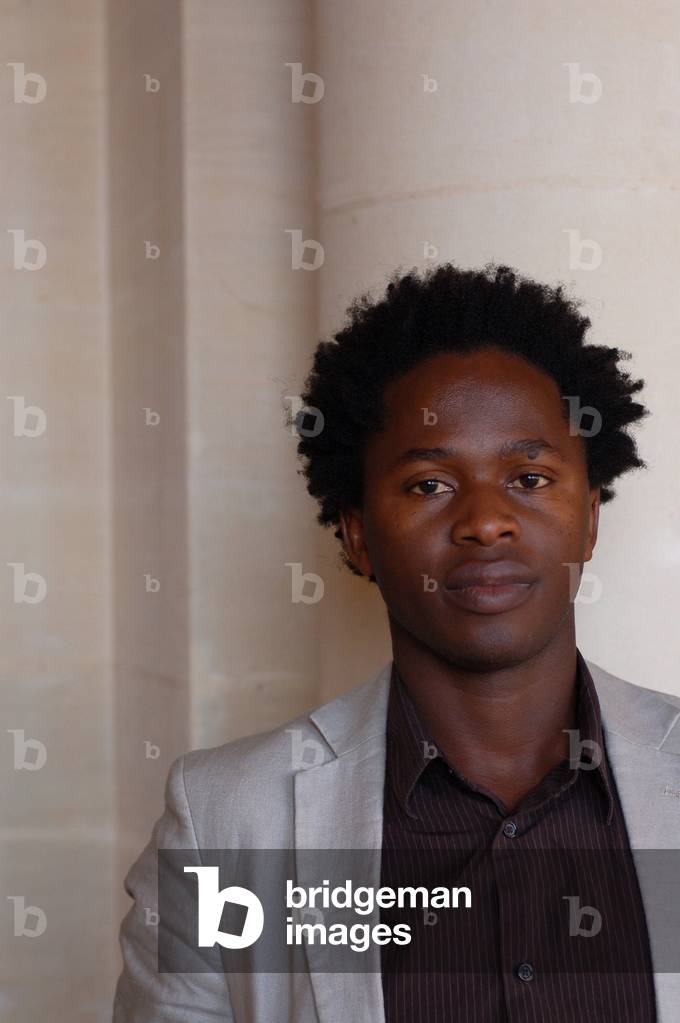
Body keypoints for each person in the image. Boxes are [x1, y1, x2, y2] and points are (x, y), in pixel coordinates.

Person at [113, 263, 680, 1022]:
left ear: (591, 516)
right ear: (357, 536)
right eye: (429, 484)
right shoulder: (228, 824)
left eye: (531, 477)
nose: (486, 519)